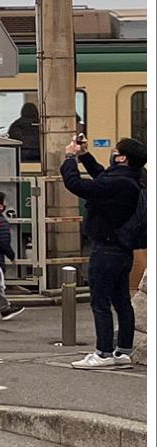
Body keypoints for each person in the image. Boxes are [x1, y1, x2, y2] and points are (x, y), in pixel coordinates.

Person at [61, 136, 146, 367]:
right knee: (122, 302)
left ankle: (103, 353)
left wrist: (69, 157)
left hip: (105, 249)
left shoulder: (118, 183)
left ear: (122, 158)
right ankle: (123, 352)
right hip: (122, 250)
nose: (112, 153)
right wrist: (84, 155)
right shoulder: (133, 179)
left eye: (115, 151)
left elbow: (76, 185)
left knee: (100, 303)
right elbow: (102, 175)